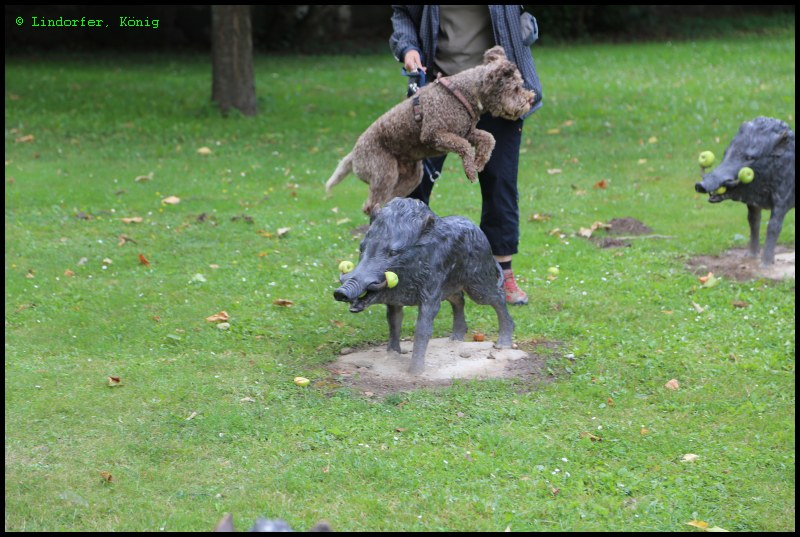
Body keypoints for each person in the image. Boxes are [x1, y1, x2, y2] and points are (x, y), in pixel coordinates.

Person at [390, 5, 543, 305]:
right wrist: (408, 48)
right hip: (440, 87)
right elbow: (403, 13)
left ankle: (500, 272)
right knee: (414, 180)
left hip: (498, 88)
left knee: (500, 180)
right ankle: (400, 265)